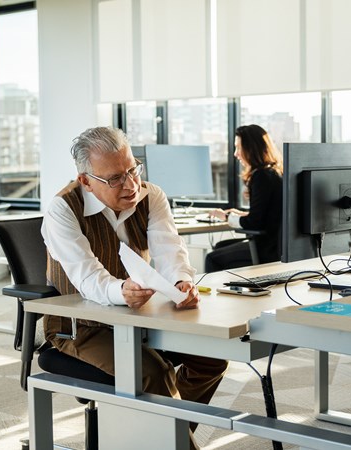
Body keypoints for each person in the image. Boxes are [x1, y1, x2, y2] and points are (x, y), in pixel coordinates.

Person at [41, 126, 228, 447]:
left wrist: (181, 281)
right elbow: (88, 278)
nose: (130, 184)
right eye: (114, 178)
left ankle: (157, 437)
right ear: (85, 180)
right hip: (80, 327)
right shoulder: (62, 209)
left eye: (132, 170)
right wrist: (120, 291)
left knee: (211, 358)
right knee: (152, 373)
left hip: (141, 318)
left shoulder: (150, 195)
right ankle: (167, 437)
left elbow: (170, 251)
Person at [204, 124, 283, 272]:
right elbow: (267, 215)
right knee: (221, 246)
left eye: (238, 147)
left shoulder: (261, 176)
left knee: (212, 258)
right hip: (274, 243)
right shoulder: (274, 172)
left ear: (251, 148)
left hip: (267, 248)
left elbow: (254, 223)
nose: (235, 154)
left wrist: (227, 216)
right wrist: (239, 214)